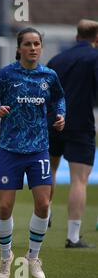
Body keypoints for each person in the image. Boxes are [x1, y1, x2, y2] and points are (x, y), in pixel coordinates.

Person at [0, 27, 66, 278]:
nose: (33, 48)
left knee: (43, 204)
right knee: (5, 207)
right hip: (9, 149)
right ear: (19, 48)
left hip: (39, 148)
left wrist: (62, 115)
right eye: (28, 44)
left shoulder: (49, 76)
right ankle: (6, 257)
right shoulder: (7, 74)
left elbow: (59, 99)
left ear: (41, 47)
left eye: (37, 43)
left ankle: (33, 256)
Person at [47, 19, 98, 248]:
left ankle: (44, 213)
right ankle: (73, 236)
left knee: (50, 169)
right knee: (79, 180)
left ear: (77, 36)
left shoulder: (57, 59)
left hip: (52, 122)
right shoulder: (94, 58)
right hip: (80, 124)